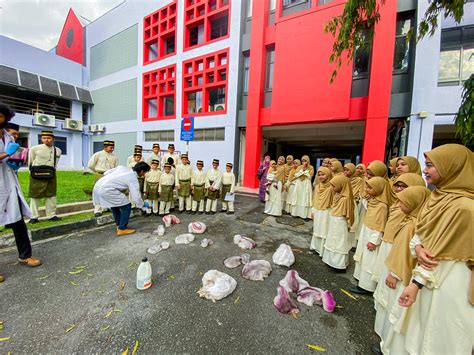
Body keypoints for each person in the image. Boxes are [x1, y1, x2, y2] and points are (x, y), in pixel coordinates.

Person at [398, 144, 474, 355]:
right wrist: (418, 247)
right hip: (427, 277)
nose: (425, 170)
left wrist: (416, 283)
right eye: (425, 165)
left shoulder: (464, 207)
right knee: (422, 330)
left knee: (442, 336)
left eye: (431, 165)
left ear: (453, 167)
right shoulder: (438, 197)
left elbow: (439, 254)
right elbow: (422, 235)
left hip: (451, 281)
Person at [372, 186, 430, 355]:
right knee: (390, 307)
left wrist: (395, 274)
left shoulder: (413, 226)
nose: (397, 204)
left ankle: (388, 347)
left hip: (401, 276)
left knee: (395, 310)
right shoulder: (409, 220)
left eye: (402, 201)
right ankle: (384, 340)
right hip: (396, 270)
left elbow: (407, 255)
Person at [0, 104, 41, 282]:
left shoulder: (8, 135)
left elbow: (10, 160)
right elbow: (4, 156)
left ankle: (25, 255)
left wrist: (15, 161)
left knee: (18, 222)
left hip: (10, 184)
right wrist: (4, 155)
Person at [371, 173, 426, 284]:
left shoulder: (412, 214)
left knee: (391, 275)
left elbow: (405, 250)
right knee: (383, 270)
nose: (398, 189)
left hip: (396, 245)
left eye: (403, 186)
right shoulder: (398, 203)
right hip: (388, 240)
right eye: (397, 185)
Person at [352, 176, 391, 294]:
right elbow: (365, 204)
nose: (367, 189)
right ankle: (360, 279)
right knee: (363, 257)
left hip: (373, 235)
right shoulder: (373, 201)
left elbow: (380, 226)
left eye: (370, 188)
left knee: (370, 260)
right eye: (367, 186)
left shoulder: (382, 206)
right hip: (366, 229)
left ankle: (367, 286)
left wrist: (374, 241)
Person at [93, 162, 149, 236]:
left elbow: (106, 172)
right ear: (142, 171)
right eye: (144, 172)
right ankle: (122, 229)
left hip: (99, 185)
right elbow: (136, 196)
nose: (144, 175)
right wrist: (142, 205)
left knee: (114, 205)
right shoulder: (133, 178)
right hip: (107, 189)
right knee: (127, 206)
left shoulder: (122, 167)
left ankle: (119, 225)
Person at [28, 130, 62, 223]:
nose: (47, 140)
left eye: (49, 138)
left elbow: (56, 163)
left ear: (53, 139)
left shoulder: (57, 150)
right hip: (36, 174)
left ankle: (51, 215)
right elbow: (30, 162)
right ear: (41, 139)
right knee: (35, 195)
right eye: (44, 138)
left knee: (51, 195)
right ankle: (33, 216)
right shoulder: (35, 149)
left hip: (51, 173)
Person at [322, 174, 354, 271]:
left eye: (334, 186)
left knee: (339, 243)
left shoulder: (345, 199)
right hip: (334, 221)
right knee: (332, 241)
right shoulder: (338, 195)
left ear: (342, 185)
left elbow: (348, 215)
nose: (332, 188)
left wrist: (348, 224)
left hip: (340, 223)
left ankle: (339, 265)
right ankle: (331, 261)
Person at [88, 140, 118, 217]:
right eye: (111, 147)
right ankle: (97, 210)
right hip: (100, 175)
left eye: (113, 147)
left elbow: (115, 167)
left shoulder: (114, 156)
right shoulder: (98, 154)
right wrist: (97, 172)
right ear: (105, 147)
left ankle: (107, 207)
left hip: (109, 176)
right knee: (98, 192)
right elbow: (90, 165)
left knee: (108, 191)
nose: (112, 149)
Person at [310, 166, 333, 257]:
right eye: (319, 175)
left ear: (328, 175)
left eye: (323, 174)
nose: (321, 177)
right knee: (317, 228)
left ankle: (323, 250)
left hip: (327, 212)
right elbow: (314, 199)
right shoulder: (318, 186)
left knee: (324, 230)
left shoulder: (332, 187)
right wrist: (313, 211)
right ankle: (316, 247)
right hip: (318, 210)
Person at [291, 155, 314, 219]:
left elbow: (310, 176)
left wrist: (304, 172)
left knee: (305, 198)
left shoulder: (311, 167)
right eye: (302, 161)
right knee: (298, 197)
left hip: (306, 184)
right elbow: (296, 175)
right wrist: (303, 170)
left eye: (305, 161)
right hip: (299, 184)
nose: (304, 162)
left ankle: (305, 215)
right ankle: (296, 213)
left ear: (308, 161)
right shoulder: (299, 167)